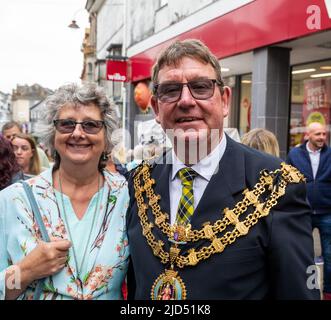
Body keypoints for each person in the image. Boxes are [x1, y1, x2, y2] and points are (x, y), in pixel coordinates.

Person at [126, 39, 319, 300]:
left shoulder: (276, 184)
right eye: (171, 90)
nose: (185, 101)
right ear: (157, 108)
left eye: (201, 87)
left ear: (225, 101)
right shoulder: (140, 183)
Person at [0, 83, 129, 300]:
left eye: (90, 125)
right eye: (67, 124)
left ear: (106, 135)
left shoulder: (127, 197)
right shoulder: (12, 201)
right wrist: (26, 271)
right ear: (52, 134)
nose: (78, 133)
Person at [287, 122, 331, 300]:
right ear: (308, 135)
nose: (322, 137)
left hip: (327, 212)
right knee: (304, 255)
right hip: (302, 211)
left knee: (329, 256)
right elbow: (287, 180)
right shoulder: (295, 154)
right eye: (318, 134)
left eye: (324, 134)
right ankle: (308, 292)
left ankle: (328, 293)